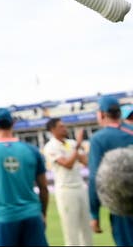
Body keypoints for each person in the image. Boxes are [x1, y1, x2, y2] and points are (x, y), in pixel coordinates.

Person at [0, 107, 48, 247]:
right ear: (13, 123)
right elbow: (43, 188)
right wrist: (43, 213)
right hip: (31, 214)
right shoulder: (31, 150)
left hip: (3, 216)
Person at [89, 94, 133, 245]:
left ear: (101, 114)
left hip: (121, 207)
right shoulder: (130, 131)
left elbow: (95, 178)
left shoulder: (98, 139)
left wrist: (94, 214)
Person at [42, 116, 92, 246]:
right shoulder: (50, 147)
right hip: (66, 190)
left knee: (86, 227)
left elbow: (85, 161)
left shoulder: (71, 143)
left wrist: (79, 148)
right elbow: (67, 164)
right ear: (52, 130)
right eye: (61, 126)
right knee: (71, 229)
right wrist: (77, 147)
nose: (65, 128)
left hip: (80, 187)